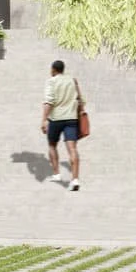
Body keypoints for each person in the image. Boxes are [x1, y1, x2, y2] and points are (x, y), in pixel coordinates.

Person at [42, 59, 83, 191]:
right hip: (71, 119)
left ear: (53, 69)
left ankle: (56, 174)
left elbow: (49, 102)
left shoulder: (51, 82)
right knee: (72, 149)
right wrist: (79, 112)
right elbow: (80, 100)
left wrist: (43, 119)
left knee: (52, 145)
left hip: (56, 119)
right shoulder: (72, 80)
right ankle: (75, 179)